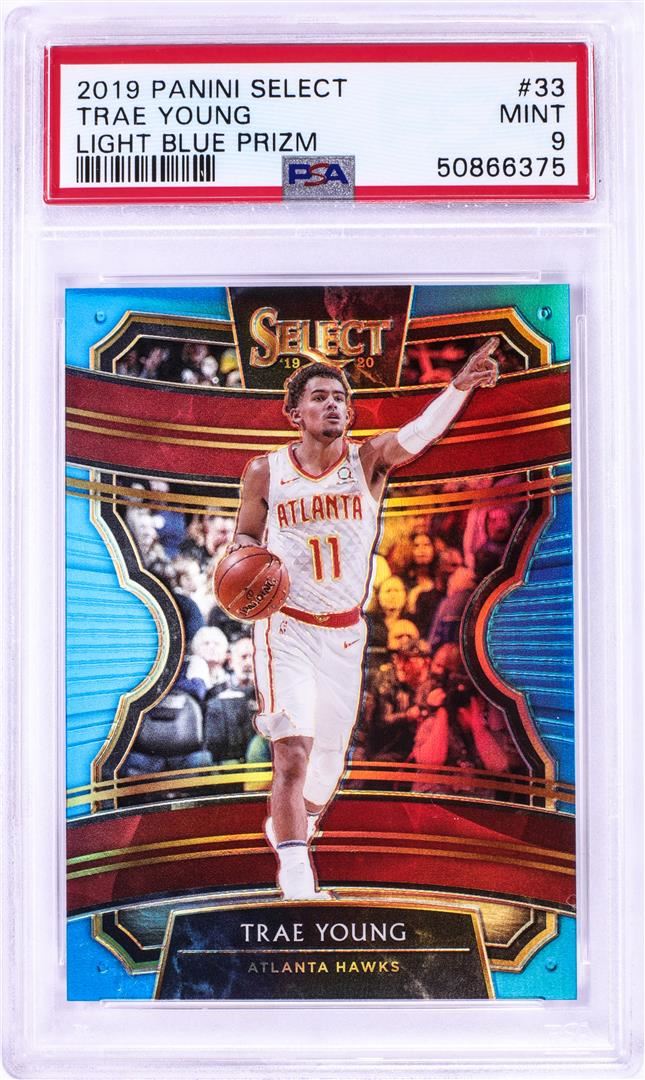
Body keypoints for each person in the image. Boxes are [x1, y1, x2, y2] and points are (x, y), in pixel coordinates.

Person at [228, 338, 499, 900]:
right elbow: (246, 538)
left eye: (340, 398)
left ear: (350, 414)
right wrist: (244, 566)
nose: (333, 405)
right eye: (320, 397)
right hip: (287, 628)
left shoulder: (367, 461)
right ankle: (296, 882)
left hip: (346, 633)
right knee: (293, 753)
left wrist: (458, 387)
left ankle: (292, 826)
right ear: (294, 413)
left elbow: (419, 434)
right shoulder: (265, 472)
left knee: (328, 765)